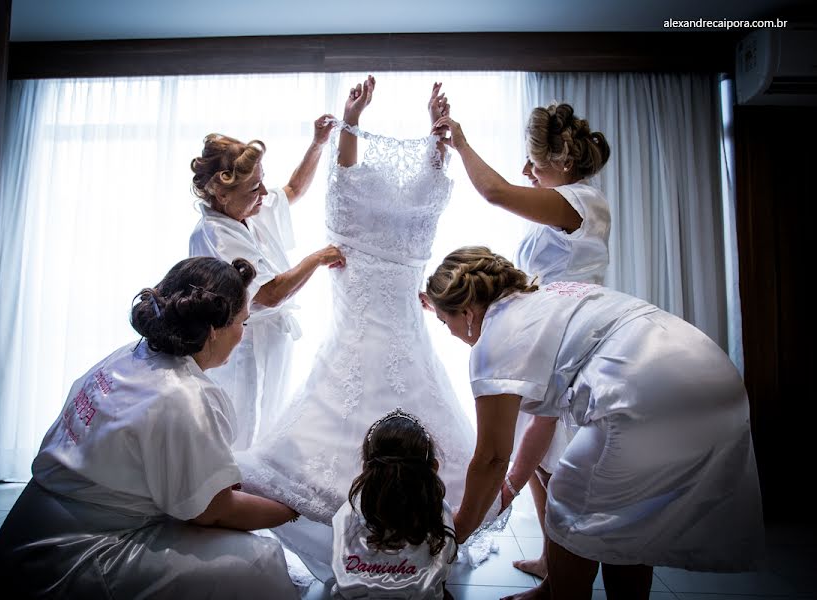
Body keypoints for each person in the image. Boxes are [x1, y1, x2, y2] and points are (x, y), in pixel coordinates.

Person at [236, 77, 505, 582]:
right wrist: (355, 121)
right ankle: (372, 541)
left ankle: (386, 540)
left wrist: (394, 127)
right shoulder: (365, 182)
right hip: (368, 324)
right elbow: (349, 170)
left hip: (393, 324)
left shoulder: (361, 188)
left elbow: (355, 175)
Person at [424, 246, 764, 600]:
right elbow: (544, 420)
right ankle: (555, 587)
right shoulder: (548, 296)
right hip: (715, 376)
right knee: (626, 518)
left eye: (444, 322)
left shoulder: (494, 342)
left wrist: (457, 530)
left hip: (649, 394)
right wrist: (509, 489)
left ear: (465, 312)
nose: (449, 333)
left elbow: (492, 456)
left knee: (568, 506)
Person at [0, 257, 299, 599]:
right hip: (68, 560)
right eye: (244, 321)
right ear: (214, 330)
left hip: (22, 536)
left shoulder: (130, 355)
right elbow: (213, 512)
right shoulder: (184, 396)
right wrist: (292, 509)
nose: (243, 333)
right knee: (257, 562)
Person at [432, 102, 611, 579]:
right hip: (546, 334)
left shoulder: (581, 202)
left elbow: (493, 191)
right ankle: (553, 565)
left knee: (557, 466)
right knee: (542, 461)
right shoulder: (560, 208)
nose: (526, 170)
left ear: (565, 161)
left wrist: (461, 142)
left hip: (572, 336)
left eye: (534, 161)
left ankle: (565, 568)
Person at [189, 117, 346, 450]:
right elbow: (270, 294)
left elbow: (293, 190)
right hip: (243, 347)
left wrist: (317, 143)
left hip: (272, 339)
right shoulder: (216, 235)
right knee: (245, 426)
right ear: (221, 193)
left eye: (262, 182)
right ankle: (236, 491)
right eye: (253, 189)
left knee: (271, 417)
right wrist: (315, 259)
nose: (263, 194)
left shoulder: (247, 209)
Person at [331, 408, 457, 600]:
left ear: (366, 468)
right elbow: (443, 567)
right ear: (434, 467)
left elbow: (341, 561)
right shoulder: (438, 511)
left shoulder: (349, 511)